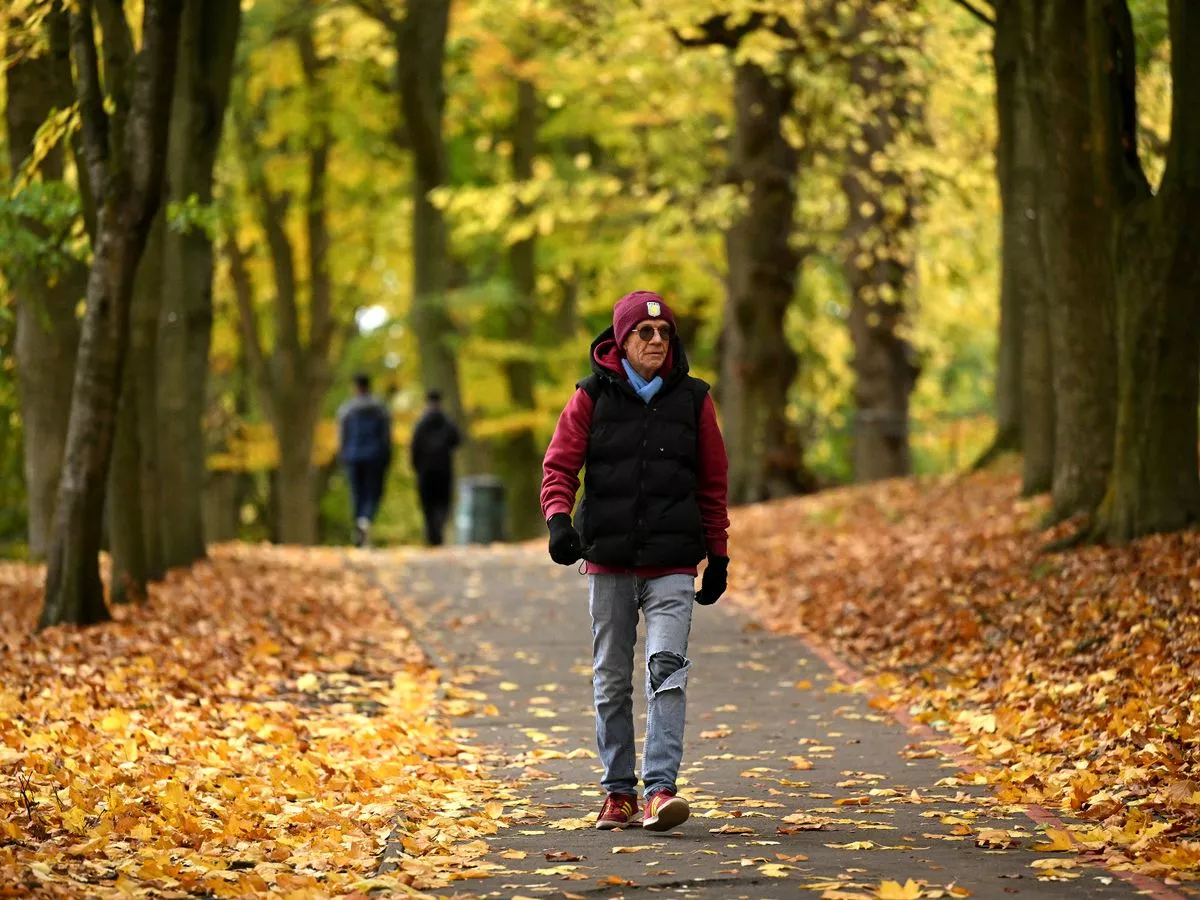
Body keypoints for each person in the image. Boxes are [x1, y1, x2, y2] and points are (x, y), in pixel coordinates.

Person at [540, 290, 730, 833]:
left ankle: (661, 789)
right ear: (621, 340)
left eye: (664, 332)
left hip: (672, 561)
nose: (655, 340)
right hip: (610, 561)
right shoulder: (591, 397)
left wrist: (717, 553)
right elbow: (559, 467)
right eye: (644, 333)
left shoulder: (694, 400)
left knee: (666, 670)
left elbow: (713, 484)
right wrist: (559, 520)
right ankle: (619, 792)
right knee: (611, 679)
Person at [337, 373, 393, 547]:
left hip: (353, 457)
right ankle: (366, 519)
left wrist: (343, 455)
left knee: (357, 492)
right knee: (373, 492)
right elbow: (386, 436)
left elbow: (342, 436)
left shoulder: (346, 410)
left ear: (355, 387)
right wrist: (387, 455)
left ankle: (359, 524)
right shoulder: (381, 409)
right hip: (375, 456)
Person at [410, 390, 462, 546]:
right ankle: (438, 528)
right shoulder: (447, 421)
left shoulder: (420, 423)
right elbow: (457, 440)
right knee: (443, 502)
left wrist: (415, 466)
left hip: (425, 471)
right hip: (444, 468)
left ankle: (432, 535)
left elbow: (414, 447)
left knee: (427, 504)